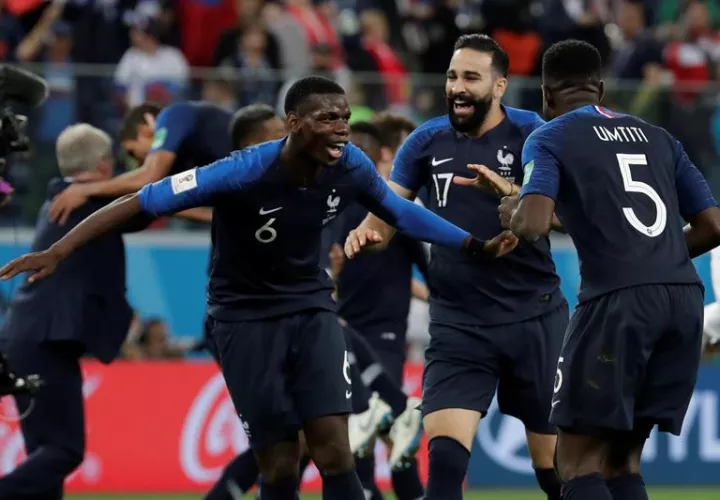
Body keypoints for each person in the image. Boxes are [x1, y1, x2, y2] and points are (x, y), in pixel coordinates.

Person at [0, 76, 516, 500]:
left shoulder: (352, 166)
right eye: (327, 118)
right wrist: (58, 249)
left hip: (312, 310)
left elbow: (401, 212)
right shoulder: (241, 171)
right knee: (280, 464)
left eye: (343, 117)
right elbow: (140, 200)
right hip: (243, 319)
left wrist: (473, 244)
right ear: (292, 124)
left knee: (335, 448)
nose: (340, 128)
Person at [345, 35, 567, 500]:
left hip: (536, 318)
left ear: (500, 85)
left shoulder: (536, 134)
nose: (457, 87)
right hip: (459, 324)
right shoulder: (424, 142)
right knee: (444, 466)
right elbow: (387, 215)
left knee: (557, 473)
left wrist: (511, 192)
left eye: (470, 77)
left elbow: (570, 216)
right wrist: (366, 234)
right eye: (451, 76)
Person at [504, 39, 720, 500]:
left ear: (545, 96)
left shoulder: (549, 136)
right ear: (600, 89)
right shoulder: (659, 137)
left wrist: (513, 212)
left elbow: (534, 222)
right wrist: (653, 252)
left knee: (576, 462)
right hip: (683, 300)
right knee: (623, 458)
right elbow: (713, 224)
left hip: (619, 300)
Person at [0, 124, 151, 500]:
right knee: (64, 450)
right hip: (43, 342)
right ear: (103, 165)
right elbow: (152, 202)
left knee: (45, 454)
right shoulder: (90, 203)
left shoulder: (60, 195)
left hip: (27, 338)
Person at [333, 119, 427, 500]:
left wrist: (440, 295)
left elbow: (425, 263)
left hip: (383, 332)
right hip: (342, 330)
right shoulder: (335, 204)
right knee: (364, 429)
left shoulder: (392, 209)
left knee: (372, 426)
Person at [47, 100, 234, 225]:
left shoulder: (172, 115)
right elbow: (166, 202)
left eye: (132, 151)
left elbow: (148, 176)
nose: (136, 161)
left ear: (146, 128)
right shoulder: (185, 155)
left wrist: (85, 189)